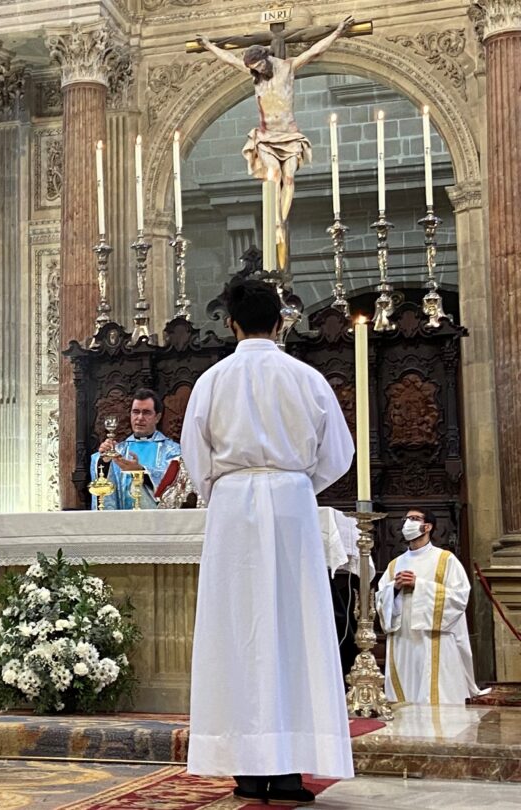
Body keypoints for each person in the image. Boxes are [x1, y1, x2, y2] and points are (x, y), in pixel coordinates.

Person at [180, 278, 355, 806]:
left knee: (238, 630)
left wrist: (225, 486)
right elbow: (339, 452)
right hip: (292, 505)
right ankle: (288, 769)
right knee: (294, 627)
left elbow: (194, 452)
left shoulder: (212, 380)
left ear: (230, 322)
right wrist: (297, 483)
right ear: (281, 321)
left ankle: (245, 767)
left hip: (233, 506)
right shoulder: (306, 377)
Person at [196, 16, 353, 263]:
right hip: (266, 137)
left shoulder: (287, 67)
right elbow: (229, 59)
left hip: (289, 136)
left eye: (258, 65)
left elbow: (314, 50)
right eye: (252, 67)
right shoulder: (253, 74)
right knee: (274, 177)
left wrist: (337, 33)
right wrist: (209, 45)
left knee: (289, 177)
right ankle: (276, 223)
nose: (256, 70)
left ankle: (280, 219)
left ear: (266, 58)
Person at [375, 509, 486, 705]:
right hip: (403, 638)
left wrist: (420, 585)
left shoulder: (445, 559)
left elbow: (459, 597)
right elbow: (380, 599)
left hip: (434, 638)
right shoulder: (395, 565)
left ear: (428, 526)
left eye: (414, 518)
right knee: (406, 695)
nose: (408, 522)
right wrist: (394, 588)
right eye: (406, 518)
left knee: (433, 689)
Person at [88, 388, 182, 510]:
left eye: (146, 412)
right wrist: (104, 461)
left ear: (157, 417)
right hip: (123, 523)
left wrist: (141, 472)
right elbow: (103, 484)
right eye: (135, 412)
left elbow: (175, 484)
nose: (139, 418)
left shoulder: (172, 451)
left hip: (158, 524)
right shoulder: (119, 450)